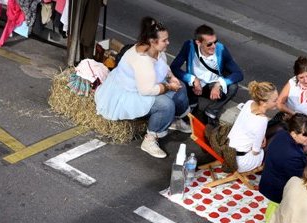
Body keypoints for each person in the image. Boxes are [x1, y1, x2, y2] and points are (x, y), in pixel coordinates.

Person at [95, 17, 190, 159]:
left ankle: (173, 120)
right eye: (165, 40)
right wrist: (168, 86)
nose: (168, 42)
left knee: (181, 89)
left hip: (147, 84)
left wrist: (171, 77)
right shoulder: (142, 60)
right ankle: (150, 139)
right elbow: (146, 90)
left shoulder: (155, 48)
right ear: (153, 41)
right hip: (131, 93)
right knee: (166, 105)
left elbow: (163, 65)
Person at [170, 24, 244, 126]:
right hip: (194, 86)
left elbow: (239, 74)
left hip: (212, 87)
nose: (214, 46)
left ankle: (211, 112)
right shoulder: (189, 46)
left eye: (215, 42)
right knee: (178, 81)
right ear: (198, 42)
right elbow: (174, 67)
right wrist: (192, 79)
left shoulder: (221, 49)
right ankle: (192, 105)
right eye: (209, 44)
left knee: (233, 87)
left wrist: (219, 84)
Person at [258, 113, 307, 204]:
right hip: (277, 195)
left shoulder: (282, 135)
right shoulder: (294, 156)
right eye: (306, 135)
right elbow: (302, 179)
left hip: (266, 184)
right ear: (293, 134)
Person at [227, 81, 278, 173]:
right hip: (240, 161)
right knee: (275, 142)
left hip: (228, 151)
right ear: (263, 103)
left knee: (273, 134)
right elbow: (255, 151)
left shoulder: (249, 103)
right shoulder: (262, 120)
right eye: (274, 100)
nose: (277, 102)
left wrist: (262, 137)